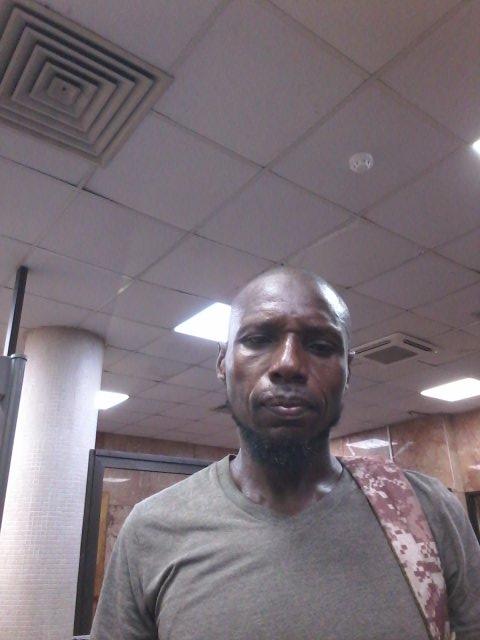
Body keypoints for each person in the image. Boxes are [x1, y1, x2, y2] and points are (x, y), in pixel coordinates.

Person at [91, 266, 480, 640]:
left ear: (348, 370)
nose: (289, 364)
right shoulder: (151, 530)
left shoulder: (425, 511)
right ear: (222, 362)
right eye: (258, 340)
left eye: (320, 346)